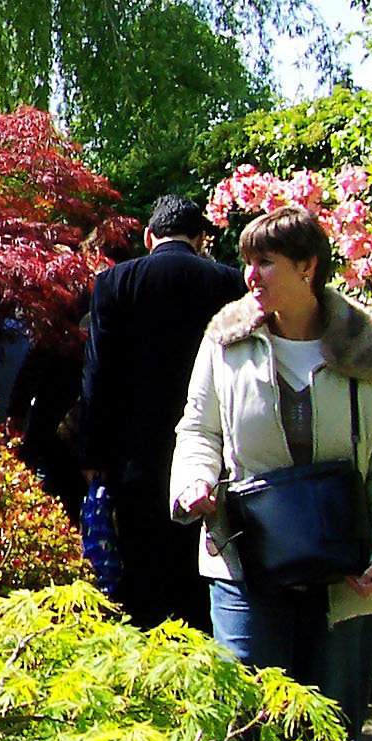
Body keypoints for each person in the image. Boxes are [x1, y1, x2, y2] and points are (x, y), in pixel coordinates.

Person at [171, 205, 372, 741]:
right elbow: (197, 430)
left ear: (308, 267)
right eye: (246, 260)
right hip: (245, 566)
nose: (248, 275)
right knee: (244, 738)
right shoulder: (225, 342)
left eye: (264, 262)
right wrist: (195, 482)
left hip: (345, 580)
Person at [82, 194, 245, 631]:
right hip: (211, 451)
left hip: (133, 452)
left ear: (148, 234)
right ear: (199, 239)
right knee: (203, 579)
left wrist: (92, 457)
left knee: (143, 582)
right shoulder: (230, 283)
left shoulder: (114, 283)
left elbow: (98, 373)